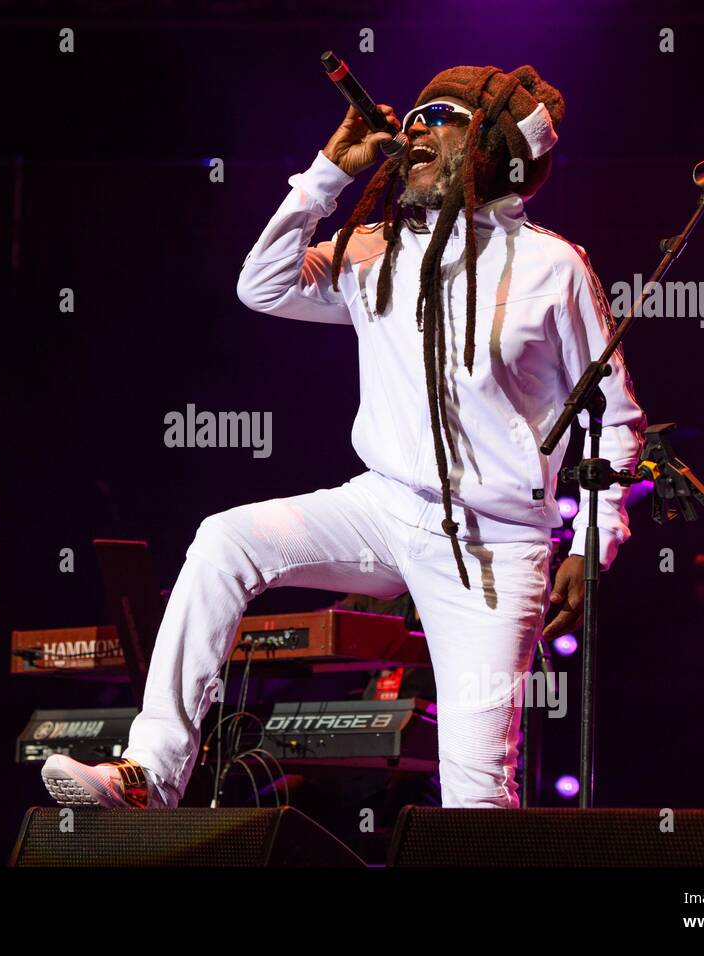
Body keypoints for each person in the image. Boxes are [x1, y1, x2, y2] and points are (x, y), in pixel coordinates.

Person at [42, 65, 645, 811]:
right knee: (226, 540)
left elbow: (612, 421)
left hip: (493, 547)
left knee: (477, 788)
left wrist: (592, 539)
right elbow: (262, 285)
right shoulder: (376, 248)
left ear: (490, 148)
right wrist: (328, 174)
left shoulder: (554, 266)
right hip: (384, 507)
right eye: (415, 114)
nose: (417, 127)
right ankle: (152, 772)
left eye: (443, 116)